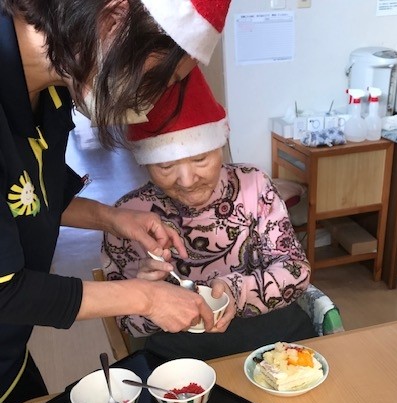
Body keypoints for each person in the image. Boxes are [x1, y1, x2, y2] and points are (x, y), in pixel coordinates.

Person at [0, 0, 231, 403]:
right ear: (114, 18)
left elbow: (33, 200)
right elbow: (5, 291)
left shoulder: (53, 91)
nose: (152, 102)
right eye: (161, 80)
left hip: (10, 359)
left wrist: (114, 219)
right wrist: (145, 297)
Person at [102, 67, 341, 361]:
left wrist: (236, 291)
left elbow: (295, 270)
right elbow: (125, 322)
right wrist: (146, 295)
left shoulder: (253, 185)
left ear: (220, 145)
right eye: (165, 166)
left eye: (200, 158)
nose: (186, 180)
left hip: (273, 338)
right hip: (183, 357)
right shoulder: (128, 217)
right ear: (145, 163)